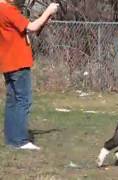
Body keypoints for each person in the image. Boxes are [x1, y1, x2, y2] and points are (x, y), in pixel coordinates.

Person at [0, 0, 59, 150]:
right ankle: (20, 140)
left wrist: (44, 19)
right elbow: (31, 27)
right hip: (18, 62)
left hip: (9, 62)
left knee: (13, 101)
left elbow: (22, 30)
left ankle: (11, 138)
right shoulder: (7, 9)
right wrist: (49, 11)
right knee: (23, 100)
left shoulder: (5, 10)